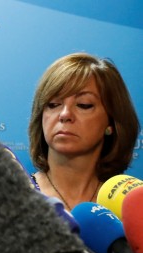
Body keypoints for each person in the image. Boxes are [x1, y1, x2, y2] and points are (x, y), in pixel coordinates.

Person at [28, 52, 140, 211]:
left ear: (111, 122)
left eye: (83, 104)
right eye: (53, 104)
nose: (65, 114)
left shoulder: (131, 205)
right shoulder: (14, 196)